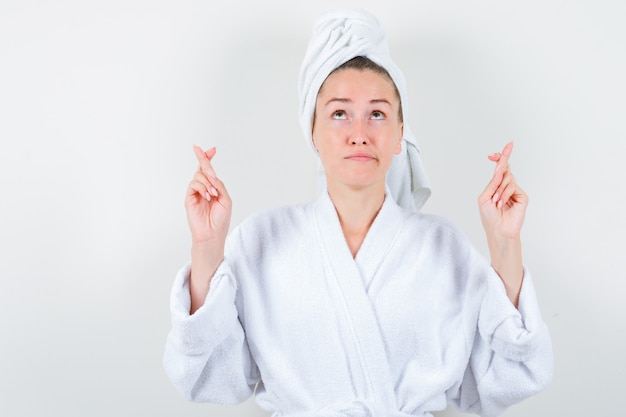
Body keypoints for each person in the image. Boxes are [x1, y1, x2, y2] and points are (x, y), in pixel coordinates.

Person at [163, 8, 553, 417]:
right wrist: (207, 247)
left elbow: (505, 379)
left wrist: (505, 243)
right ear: (312, 130)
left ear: (401, 134)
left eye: (378, 114)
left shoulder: (443, 246)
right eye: (339, 113)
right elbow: (208, 377)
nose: (359, 133)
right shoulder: (261, 239)